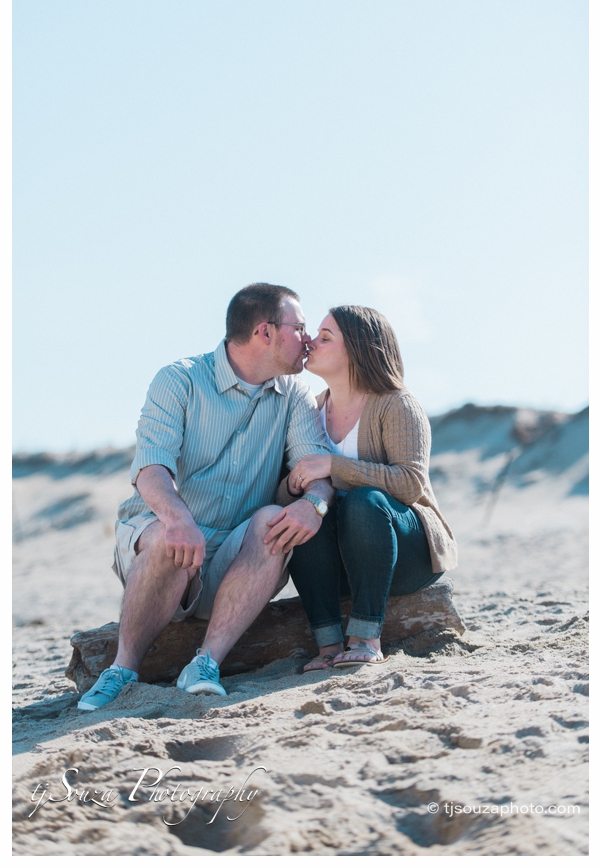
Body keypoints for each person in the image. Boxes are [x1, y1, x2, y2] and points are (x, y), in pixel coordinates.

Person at [78, 283, 335, 711]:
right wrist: (179, 519)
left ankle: (205, 663)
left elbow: (316, 469)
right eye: (300, 327)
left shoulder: (294, 395)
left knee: (274, 518)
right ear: (265, 332)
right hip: (159, 543)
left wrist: (315, 503)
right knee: (166, 536)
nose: (307, 339)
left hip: (234, 558)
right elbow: (151, 468)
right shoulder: (178, 379)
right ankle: (121, 669)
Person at [280, 305, 458, 670]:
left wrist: (334, 465)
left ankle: (365, 637)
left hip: (408, 555)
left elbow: (410, 484)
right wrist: (294, 484)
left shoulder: (396, 404)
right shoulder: (310, 413)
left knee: (364, 501)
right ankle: (328, 645)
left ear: (358, 348)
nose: (311, 341)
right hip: (343, 563)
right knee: (304, 514)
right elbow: (284, 493)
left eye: (325, 337)